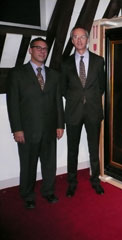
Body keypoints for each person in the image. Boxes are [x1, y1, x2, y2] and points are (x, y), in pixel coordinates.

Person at [6, 37, 64, 209]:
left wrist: (60, 125)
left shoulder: (54, 75)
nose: (42, 51)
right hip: (27, 130)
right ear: (30, 50)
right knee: (28, 165)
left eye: (45, 49)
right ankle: (28, 195)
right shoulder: (17, 73)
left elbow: (58, 102)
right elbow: (13, 104)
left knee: (49, 164)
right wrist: (17, 129)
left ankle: (48, 191)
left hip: (49, 129)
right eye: (38, 48)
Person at [61, 26, 105, 197]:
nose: (79, 40)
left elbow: (101, 86)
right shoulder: (65, 64)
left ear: (87, 39)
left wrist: (89, 99)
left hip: (93, 111)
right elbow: (63, 89)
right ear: (72, 41)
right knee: (72, 150)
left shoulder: (98, 61)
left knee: (94, 149)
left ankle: (96, 180)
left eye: (82, 37)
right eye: (75, 37)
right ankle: (72, 182)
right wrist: (77, 99)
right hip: (73, 112)